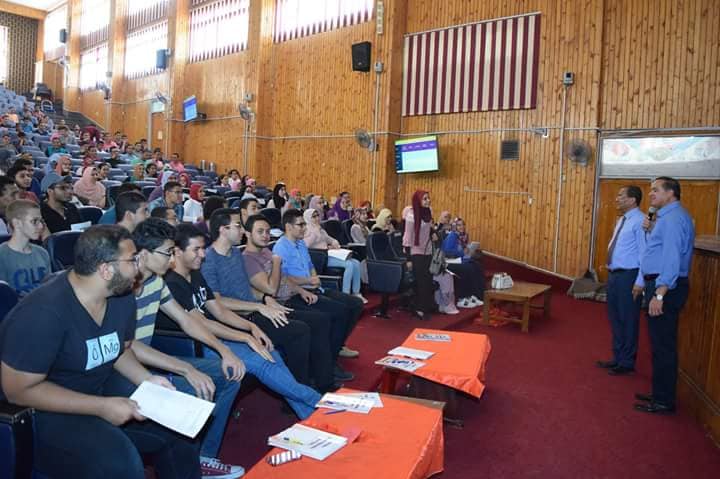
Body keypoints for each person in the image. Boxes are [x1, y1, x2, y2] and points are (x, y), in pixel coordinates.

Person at [0, 225, 201, 479]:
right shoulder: (42, 313)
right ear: (106, 270)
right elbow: (18, 391)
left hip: (99, 385)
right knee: (120, 464)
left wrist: (147, 379)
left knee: (178, 429)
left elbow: (119, 349)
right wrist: (101, 407)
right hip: (45, 410)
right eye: (132, 260)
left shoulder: (121, 295)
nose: (138, 267)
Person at [124, 219, 245, 478]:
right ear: (143, 253)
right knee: (196, 388)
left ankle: (204, 456)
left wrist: (224, 350)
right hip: (127, 367)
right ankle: (188, 459)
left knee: (229, 374)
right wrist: (186, 369)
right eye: (167, 253)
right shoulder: (124, 287)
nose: (172, 260)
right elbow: (127, 347)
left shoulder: (156, 281)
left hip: (150, 359)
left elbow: (186, 320)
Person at [165, 223, 321, 418]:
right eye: (196, 250)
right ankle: (318, 402)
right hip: (198, 344)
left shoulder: (195, 274)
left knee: (270, 353)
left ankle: (309, 414)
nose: (202, 255)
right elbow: (201, 323)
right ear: (177, 251)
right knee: (260, 362)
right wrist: (245, 337)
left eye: (203, 249)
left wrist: (251, 327)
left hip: (216, 335)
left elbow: (219, 311)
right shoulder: (172, 283)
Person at [203, 208, 325, 389]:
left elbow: (247, 288)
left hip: (254, 309)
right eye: (238, 225)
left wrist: (265, 298)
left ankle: (309, 381)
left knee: (310, 322)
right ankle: (302, 386)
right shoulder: (208, 260)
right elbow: (217, 302)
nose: (242, 230)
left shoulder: (235, 253)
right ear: (223, 229)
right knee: (299, 331)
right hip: (237, 318)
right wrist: (259, 306)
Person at [242, 214, 348, 390]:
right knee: (315, 322)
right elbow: (270, 289)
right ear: (247, 234)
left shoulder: (265, 252)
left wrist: (301, 290)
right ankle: (312, 384)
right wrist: (276, 262)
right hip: (275, 306)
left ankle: (323, 377)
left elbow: (285, 279)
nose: (265, 236)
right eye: (260, 232)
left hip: (289, 297)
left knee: (325, 318)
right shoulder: (248, 259)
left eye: (267, 231)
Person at [635, 177, 695, 415]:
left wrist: (659, 294)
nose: (651, 194)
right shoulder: (667, 217)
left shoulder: (672, 219)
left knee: (663, 346)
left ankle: (663, 401)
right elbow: (661, 251)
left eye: (656, 190)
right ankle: (659, 393)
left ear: (671, 193)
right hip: (662, 284)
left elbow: (672, 258)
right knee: (659, 344)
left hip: (666, 288)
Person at [272, 209, 364, 363]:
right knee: (340, 311)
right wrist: (309, 280)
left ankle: (337, 345)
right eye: (301, 225)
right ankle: (331, 356)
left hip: (314, 287)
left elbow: (310, 266)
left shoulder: (300, 243)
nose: (305, 228)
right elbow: (284, 278)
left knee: (356, 304)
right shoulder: (280, 247)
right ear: (288, 227)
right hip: (297, 293)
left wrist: (314, 278)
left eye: (304, 224)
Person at [596, 186, 646, 376]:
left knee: (628, 319)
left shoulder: (640, 221)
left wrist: (640, 281)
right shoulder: (623, 220)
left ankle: (627, 362)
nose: (617, 198)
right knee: (615, 317)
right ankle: (617, 357)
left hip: (629, 276)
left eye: (620, 196)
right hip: (615, 275)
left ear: (632, 200)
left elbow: (644, 253)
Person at [402, 190, 459, 317]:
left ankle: (425, 306)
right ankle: (420, 309)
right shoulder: (411, 216)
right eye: (425, 199)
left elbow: (428, 227)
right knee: (421, 281)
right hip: (415, 252)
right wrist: (408, 259)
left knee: (428, 280)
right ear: (418, 201)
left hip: (427, 251)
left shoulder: (429, 211)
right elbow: (407, 238)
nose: (428, 201)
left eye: (428, 198)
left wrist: (432, 232)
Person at [303, 208, 365, 301]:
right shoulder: (306, 230)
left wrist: (334, 242)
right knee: (349, 264)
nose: (317, 218)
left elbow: (329, 239)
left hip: (328, 255)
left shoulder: (320, 229)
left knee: (356, 263)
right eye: (313, 217)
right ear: (308, 218)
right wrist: (315, 233)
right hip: (319, 258)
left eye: (317, 216)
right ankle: (346, 294)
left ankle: (356, 293)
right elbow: (306, 245)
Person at [0, 200, 50, 294]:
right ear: (17, 223)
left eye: (41, 221)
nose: (40, 226)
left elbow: (49, 290)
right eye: (34, 221)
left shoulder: (42, 253)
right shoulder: (2, 255)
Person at [441, 217, 485, 309]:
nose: (461, 227)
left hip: (459, 260)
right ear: (454, 226)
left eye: (463, 225)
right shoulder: (452, 235)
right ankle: (462, 298)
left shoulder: (463, 236)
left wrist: (469, 250)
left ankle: (476, 295)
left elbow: (463, 250)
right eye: (459, 225)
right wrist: (462, 252)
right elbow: (447, 252)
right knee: (467, 268)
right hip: (449, 262)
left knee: (476, 265)